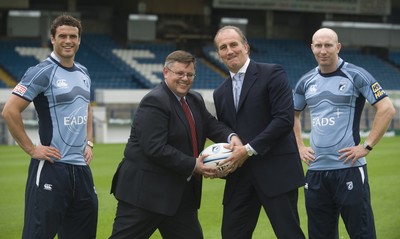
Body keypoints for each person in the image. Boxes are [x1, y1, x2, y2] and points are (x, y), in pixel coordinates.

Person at [109, 50, 241, 239]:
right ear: (165, 72)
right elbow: (155, 147)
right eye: (180, 73)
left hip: (180, 197)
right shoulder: (155, 101)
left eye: (190, 74)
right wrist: (195, 165)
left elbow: (211, 125)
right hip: (145, 195)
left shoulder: (194, 99)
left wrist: (231, 137)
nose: (185, 79)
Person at [293, 28, 396, 238]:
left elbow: (387, 108)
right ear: (312, 48)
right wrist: (300, 147)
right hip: (315, 172)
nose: (323, 50)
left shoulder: (356, 74)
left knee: (362, 233)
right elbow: (292, 116)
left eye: (328, 45)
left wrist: (366, 146)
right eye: (318, 45)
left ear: (338, 47)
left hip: (348, 169)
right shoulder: (305, 82)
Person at [1, 14, 98, 238]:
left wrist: (89, 142)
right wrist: (32, 149)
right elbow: (9, 111)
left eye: (73, 36)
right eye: (62, 36)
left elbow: (87, 108)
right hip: (52, 168)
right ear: (52, 39)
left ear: (79, 40)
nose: (68, 41)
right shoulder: (41, 71)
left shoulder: (83, 72)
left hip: (82, 171)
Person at [213, 25, 305, 238]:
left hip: (276, 172)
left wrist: (248, 149)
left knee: (289, 234)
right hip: (240, 177)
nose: (229, 51)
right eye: (223, 47)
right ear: (219, 53)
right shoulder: (220, 93)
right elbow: (227, 129)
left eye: (234, 44)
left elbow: (284, 119)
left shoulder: (272, 73)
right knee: (231, 234)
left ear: (246, 47)